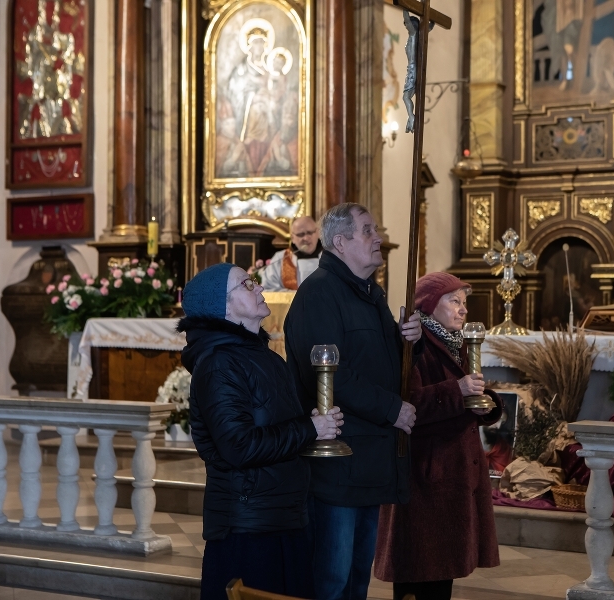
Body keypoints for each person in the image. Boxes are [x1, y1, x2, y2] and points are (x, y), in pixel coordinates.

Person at [178, 262, 344, 599]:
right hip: (248, 526)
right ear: (222, 307)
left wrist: (312, 426)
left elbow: (275, 428)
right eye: (246, 284)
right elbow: (238, 446)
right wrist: (309, 428)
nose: (259, 287)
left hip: (282, 516)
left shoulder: (262, 357)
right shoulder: (219, 363)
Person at [284, 202, 422, 600]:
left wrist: (409, 343)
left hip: (369, 461)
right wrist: (392, 409)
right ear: (341, 242)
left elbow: (384, 366)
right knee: (331, 579)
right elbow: (330, 375)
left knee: (357, 578)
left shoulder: (370, 294)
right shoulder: (318, 294)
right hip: (338, 464)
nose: (378, 238)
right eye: (367, 231)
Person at [374, 272, 502, 600]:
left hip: (452, 477)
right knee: (418, 573)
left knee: (441, 575)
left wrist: (486, 403)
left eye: (465, 302)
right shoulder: (413, 346)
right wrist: (457, 390)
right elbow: (406, 406)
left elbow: (466, 397)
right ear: (429, 305)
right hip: (425, 479)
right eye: (455, 301)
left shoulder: (454, 343)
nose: (463, 310)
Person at [260, 215, 321, 291]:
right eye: (301, 234)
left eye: (310, 233)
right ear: (292, 238)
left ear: (318, 233)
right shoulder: (280, 259)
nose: (306, 238)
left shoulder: (332, 257)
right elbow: (268, 290)